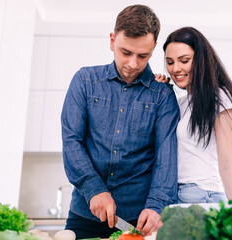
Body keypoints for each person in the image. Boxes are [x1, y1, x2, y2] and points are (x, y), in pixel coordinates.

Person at [60, 4, 180, 239]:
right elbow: (71, 140)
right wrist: (94, 189)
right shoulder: (85, 80)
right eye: (126, 52)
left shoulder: (162, 94)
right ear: (112, 40)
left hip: (139, 220)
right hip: (85, 213)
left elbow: (166, 158)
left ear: (154, 48)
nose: (133, 64)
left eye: (143, 55)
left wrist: (157, 206)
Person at [155, 26, 232, 204]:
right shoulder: (181, 103)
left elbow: (228, 164)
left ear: (201, 60)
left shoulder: (220, 98)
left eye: (184, 60)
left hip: (203, 196)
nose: (175, 69)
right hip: (176, 196)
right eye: (170, 62)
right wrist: (158, 93)